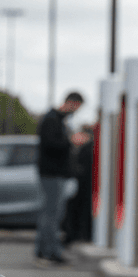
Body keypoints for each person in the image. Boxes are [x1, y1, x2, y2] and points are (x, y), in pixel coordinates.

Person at [35, 91, 83, 264]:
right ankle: (48, 252)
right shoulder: (52, 119)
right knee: (52, 214)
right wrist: (71, 141)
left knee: (52, 214)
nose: (76, 111)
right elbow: (50, 144)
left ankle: (47, 251)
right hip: (52, 174)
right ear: (72, 103)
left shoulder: (57, 119)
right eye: (77, 107)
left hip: (55, 174)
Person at [63, 125, 94, 244]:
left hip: (82, 187)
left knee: (76, 211)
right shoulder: (85, 148)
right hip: (82, 187)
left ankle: (75, 235)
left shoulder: (85, 149)